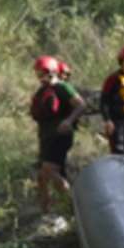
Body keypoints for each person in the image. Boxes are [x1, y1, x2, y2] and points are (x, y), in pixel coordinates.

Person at [29, 55, 85, 216]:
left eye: (42, 73)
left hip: (60, 137)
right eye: (38, 73)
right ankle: (45, 212)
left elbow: (81, 105)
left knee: (50, 171)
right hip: (46, 137)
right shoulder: (42, 90)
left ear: (51, 71)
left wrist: (68, 121)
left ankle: (73, 205)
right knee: (42, 177)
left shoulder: (63, 88)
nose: (39, 76)